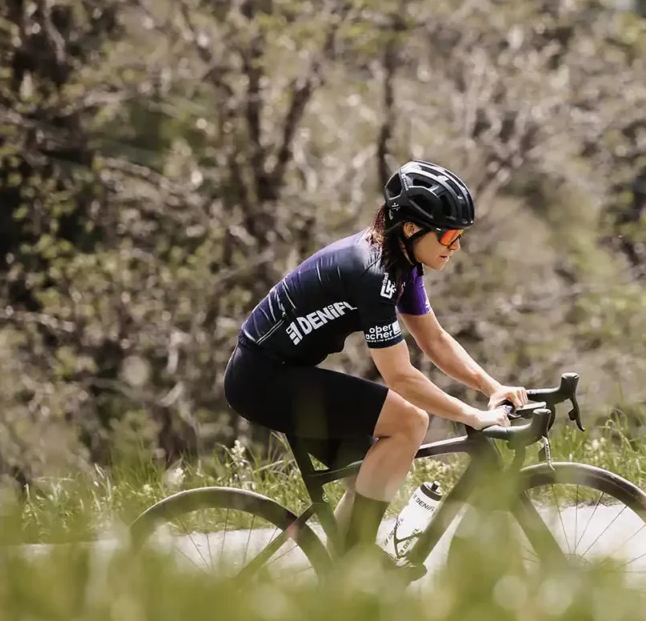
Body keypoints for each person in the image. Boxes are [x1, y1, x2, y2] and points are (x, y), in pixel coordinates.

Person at [222, 159, 526, 562]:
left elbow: (433, 339)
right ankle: (358, 563)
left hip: (282, 372)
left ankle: (341, 578)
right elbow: (400, 377)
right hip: (263, 379)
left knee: (372, 471)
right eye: (450, 235)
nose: (456, 247)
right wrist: (471, 415)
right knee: (409, 421)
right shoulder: (374, 272)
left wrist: (492, 387)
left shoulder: (401, 262)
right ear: (412, 229)